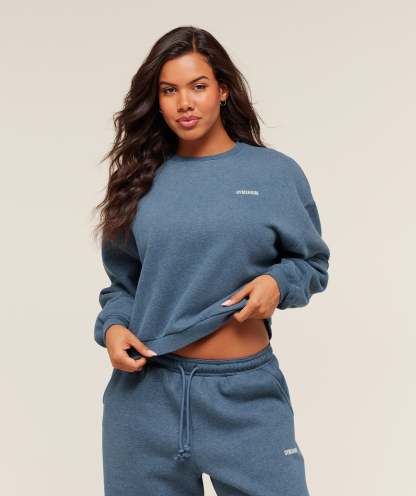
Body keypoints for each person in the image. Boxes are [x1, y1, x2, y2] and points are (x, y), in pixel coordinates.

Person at [93, 25, 330, 496]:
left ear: (223, 89)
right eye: (169, 90)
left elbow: (312, 265)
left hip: (245, 397)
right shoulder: (138, 180)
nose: (185, 103)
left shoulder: (274, 174)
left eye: (198, 86)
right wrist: (113, 328)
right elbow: (124, 284)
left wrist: (277, 284)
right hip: (145, 400)